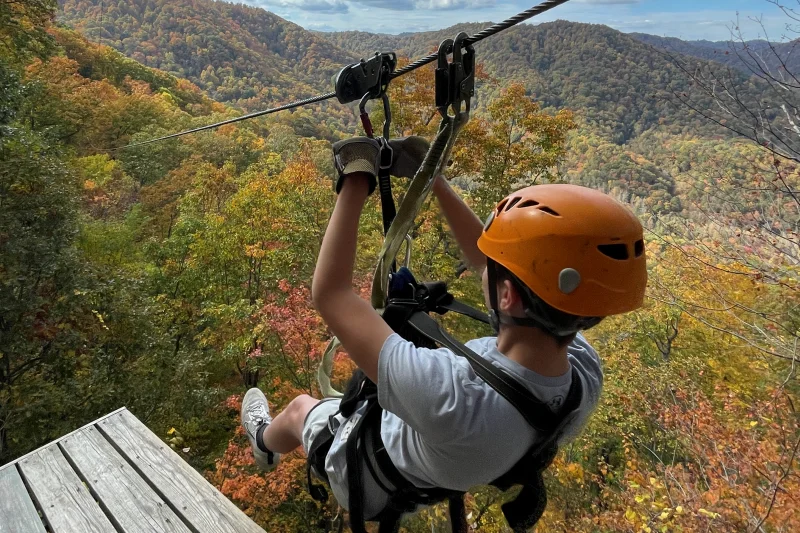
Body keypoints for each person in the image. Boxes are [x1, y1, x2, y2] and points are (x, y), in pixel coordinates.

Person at [240, 136, 647, 522]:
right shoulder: (581, 369)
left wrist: (356, 177)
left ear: (509, 298)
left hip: (361, 473)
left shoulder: (453, 398)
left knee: (297, 409)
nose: (486, 262)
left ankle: (263, 445)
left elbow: (332, 294)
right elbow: (491, 264)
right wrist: (431, 180)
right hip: (428, 468)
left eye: (498, 267)